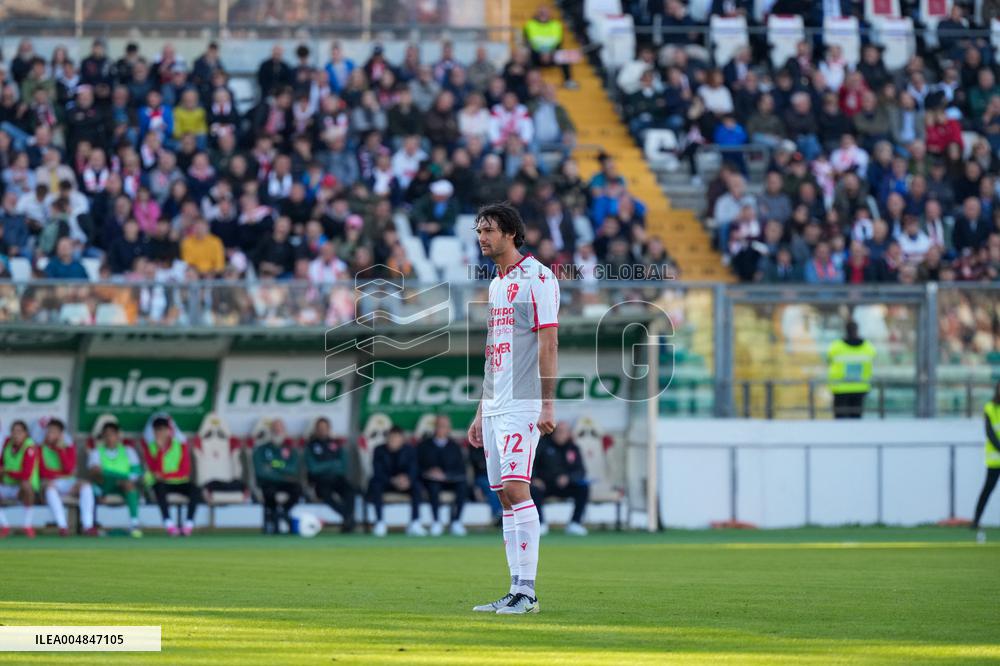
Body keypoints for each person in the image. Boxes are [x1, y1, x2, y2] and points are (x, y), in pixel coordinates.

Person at [468, 202, 559, 615]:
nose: (481, 237)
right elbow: (494, 351)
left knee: (518, 489)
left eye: (488, 230)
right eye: (478, 231)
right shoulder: (497, 284)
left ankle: (528, 592)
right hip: (495, 404)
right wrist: (480, 408)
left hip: (523, 402)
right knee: (504, 495)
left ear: (510, 233)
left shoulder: (538, 278)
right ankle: (515, 589)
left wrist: (547, 403)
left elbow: (548, 342)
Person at [39, 418, 96, 536]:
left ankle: (88, 525)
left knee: (86, 487)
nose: (50, 435)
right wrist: (59, 474)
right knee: (50, 489)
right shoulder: (40, 449)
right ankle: (62, 526)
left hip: (69, 482)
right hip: (51, 482)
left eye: (54, 432)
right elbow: (43, 472)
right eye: (49, 431)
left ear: (60, 434)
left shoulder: (68, 447)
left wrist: (60, 450)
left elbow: (69, 468)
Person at [530, 421, 589, 536]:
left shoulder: (573, 448)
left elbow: (580, 471)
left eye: (565, 432)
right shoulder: (542, 445)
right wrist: (534, 478)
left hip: (565, 485)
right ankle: (540, 523)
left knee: (583, 488)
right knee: (534, 490)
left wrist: (569, 478)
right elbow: (532, 464)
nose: (561, 434)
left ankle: (575, 523)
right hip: (545, 485)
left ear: (569, 434)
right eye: (559, 431)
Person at [145, 416, 199, 536]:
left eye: (163, 429)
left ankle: (188, 525)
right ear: (153, 432)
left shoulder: (180, 446)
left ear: (169, 431)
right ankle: (169, 524)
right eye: (157, 430)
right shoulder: (151, 448)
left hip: (179, 482)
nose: (160, 433)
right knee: (159, 488)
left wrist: (165, 475)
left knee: (195, 489)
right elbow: (155, 470)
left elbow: (185, 471)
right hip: (162, 484)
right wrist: (160, 450)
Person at [87, 421, 143, 538]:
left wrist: (122, 479)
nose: (109, 437)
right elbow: (94, 472)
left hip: (123, 485)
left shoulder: (128, 451)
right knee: (97, 475)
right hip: (104, 485)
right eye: (106, 435)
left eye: (112, 434)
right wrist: (116, 477)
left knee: (129, 485)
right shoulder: (96, 452)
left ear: (118, 435)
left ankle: (135, 524)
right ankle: (90, 526)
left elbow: (137, 472)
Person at [367, 425, 424, 537]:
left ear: (402, 439)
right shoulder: (379, 450)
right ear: (387, 438)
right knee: (375, 484)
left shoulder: (410, 450)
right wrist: (393, 480)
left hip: (404, 483)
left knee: (417, 486)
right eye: (391, 438)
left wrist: (408, 479)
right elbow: (377, 471)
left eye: (397, 438)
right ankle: (380, 522)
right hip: (386, 482)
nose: (393, 441)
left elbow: (414, 469)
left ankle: (415, 522)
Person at [417, 415, 468, 537]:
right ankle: (436, 522)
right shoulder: (424, 445)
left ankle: (456, 521)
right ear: (434, 427)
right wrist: (430, 472)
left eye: (444, 426)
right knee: (433, 487)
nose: (441, 429)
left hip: (451, 480)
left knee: (463, 486)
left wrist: (446, 475)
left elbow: (461, 468)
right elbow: (418, 465)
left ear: (449, 429)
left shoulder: (454, 446)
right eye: (439, 426)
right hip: (431, 481)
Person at [305, 417, 356, 533]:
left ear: (329, 429)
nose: (322, 430)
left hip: (337, 479)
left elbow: (343, 467)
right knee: (325, 494)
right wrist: (332, 464)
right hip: (319, 481)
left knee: (351, 491)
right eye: (320, 428)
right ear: (316, 430)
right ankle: (348, 518)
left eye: (325, 428)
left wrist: (323, 465)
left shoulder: (337, 444)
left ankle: (347, 520)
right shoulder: (311, 446)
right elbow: (313, 469)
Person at [252, 419, 301, 535]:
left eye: (280, 428)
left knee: (297, 489)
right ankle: (275, 522)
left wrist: (274, 464)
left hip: (284, 482)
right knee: (269, 492)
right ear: (270, 431)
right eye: (275, 428)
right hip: (268, 482)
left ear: (284, 431)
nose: (277, 431)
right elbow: (260, 471)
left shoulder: (290, 450)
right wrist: (282, 469)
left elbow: (293, 469)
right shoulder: (261, 449)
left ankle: (281, 514)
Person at [826, 320, 876, 419]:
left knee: (840, 421)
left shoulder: (836, 346)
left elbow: (829, 361)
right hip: (860, 387)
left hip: (840, 388)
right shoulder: (868, 347)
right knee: (856, 421)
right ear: (857, 330)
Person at [0, 420, 40, 538]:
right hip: (7, 484)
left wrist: (6, 472)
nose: (16, 434)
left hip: (21, 488)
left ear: (25, 433)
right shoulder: (7, 443)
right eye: (13, 431)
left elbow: (26, 475)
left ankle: (27, 525)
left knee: (26, 485)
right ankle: (4, 525)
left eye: (19, 431)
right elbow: (1, 463)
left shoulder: (30, 447)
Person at [972, 381, 1000, 543]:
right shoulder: (989, 407)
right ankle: (976, 521)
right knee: (987, 491)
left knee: (986, 491)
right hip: (995, 460)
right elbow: (989, 432)